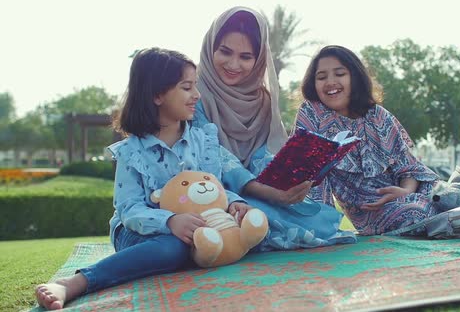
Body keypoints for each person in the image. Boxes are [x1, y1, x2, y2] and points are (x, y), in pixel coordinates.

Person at [34, 47, 311, 310]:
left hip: (199, 229)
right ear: (157, 95)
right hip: (140, 232)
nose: (197, 95)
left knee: (236, 234)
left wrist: (235, 203)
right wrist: (169, 221)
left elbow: (214, 188)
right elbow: (129, 209)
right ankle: (77, 282)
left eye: (195, 86)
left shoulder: (204, 140)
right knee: (173, 249)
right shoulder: (132, 152)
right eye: (186, 87)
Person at [193, 7, 356, 250]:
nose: (233, 64)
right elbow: (214, 157)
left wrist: (286, 180)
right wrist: (270, 194)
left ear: (258, 60)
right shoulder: (192, 95)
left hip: (258, 191)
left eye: (246, 57)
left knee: (312, 219)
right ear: (210, 48)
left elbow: (263, 152)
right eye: (225, 52)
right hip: (208, 189)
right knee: (242, 217)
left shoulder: (262, 100)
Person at [295, 45, 440, 236]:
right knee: (417, 212)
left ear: (354, 77)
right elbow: (309, 176)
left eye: (339, 74)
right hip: (370, 214)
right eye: (321, 77)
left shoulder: (379, 116)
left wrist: (404, 192)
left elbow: (409, 168)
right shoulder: (312, 114)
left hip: (405, 197)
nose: (330, 82)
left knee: (450, 200)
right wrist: (323, 228)